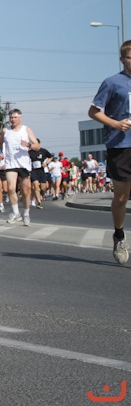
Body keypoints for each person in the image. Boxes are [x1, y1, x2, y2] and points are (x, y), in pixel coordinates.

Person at [88, 40, 131, 265]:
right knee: (121, 197)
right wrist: (115, 124)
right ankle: (119, 235)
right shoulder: (112, 83)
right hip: (120, 145)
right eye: (130, 57)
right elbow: (93, 111)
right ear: (122, 59)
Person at [0, 109, 40, 226]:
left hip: (23, 164)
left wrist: (29, 145)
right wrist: (0, 152)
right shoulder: (5, 130)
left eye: (15, 117)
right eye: (11, 117)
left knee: (25, 191)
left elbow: (37, 146)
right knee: (11, 188)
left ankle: (26, 214)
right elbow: (0, 143)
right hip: (10, 163)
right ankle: (16, 213)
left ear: (20, 118)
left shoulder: (26, 130)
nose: (13, 119)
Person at [28, 140, 52, 208]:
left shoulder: (43, 151)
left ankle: (42, 193)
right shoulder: (30, 152)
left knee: (43, 187)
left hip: (41, 171)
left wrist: (46, 163)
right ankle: (39, 202)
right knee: (36, 186)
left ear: (38, 144)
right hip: (33, 171)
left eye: (34, 144)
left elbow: (50, 157)